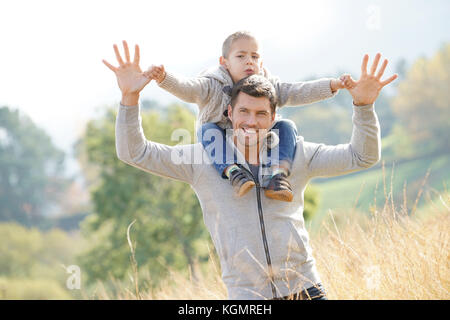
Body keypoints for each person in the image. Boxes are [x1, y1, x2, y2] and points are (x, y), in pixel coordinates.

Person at [103, 41, 397, 299]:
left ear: (273, 118)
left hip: (306, 289)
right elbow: (135, 153)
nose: (251, 121)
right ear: (230, 113)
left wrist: (362, 105)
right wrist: (130, 99)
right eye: (243, 111)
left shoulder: (297, 153)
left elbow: (362, 157)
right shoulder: (201, 160)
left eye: (260, 114)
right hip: (245, 295)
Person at [142, 31, 354, 202]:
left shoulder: (266, 84)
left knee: (286, 125)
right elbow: (188, 89)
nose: (249, 62)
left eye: (255, 56)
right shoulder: (212, 83)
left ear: (261, 62)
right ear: (224, 62)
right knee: (206, 130)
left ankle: (277, 176)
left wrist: (332, 85)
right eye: (241, 56)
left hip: (257, 137)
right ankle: (235, 174)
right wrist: (163, 77)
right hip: (221, 141)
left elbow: (295, 91)